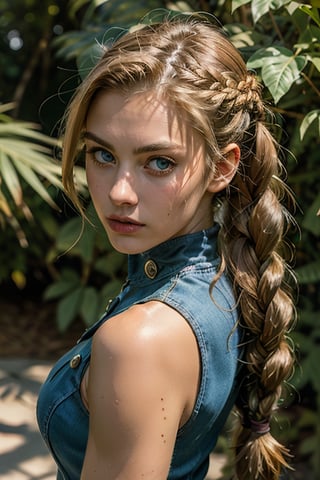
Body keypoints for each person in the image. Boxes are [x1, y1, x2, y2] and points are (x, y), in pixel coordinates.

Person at [37, 13, 296, 480]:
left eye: (158, 162)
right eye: (102, 154)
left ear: (222, 168)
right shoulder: (228, 273)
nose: (119, 191)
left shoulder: (141, 341)